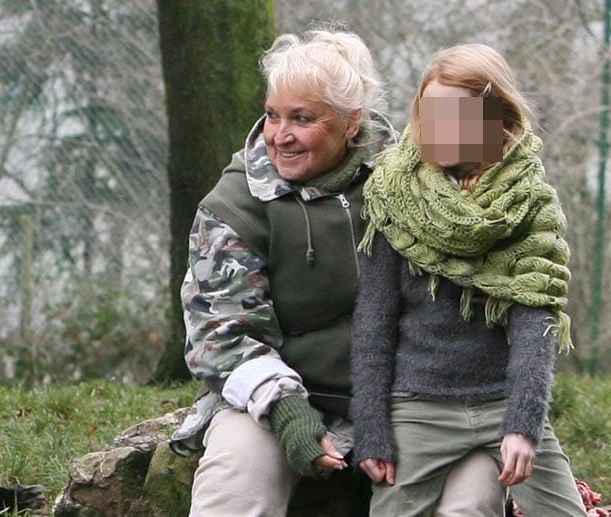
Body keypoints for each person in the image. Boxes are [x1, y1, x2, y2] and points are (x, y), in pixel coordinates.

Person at [170, 30, 503, 516]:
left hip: (413, 398)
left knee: (471, 497)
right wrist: (286, 411)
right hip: (276, 396)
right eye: (273, 114)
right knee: (236, 486)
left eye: (302, 118)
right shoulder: (235, 205)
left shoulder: (416, 179)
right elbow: (221, 334)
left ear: (352, 123)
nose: (280, 134)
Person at [351, 43, 587, 516]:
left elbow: (534, 321)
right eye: (432, 111)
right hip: (419, 406)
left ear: (495, 116)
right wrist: (372, 429)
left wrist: (523, 424)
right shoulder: (394, 196)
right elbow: (374, 321)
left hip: (503, 399)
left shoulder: (532, 204)